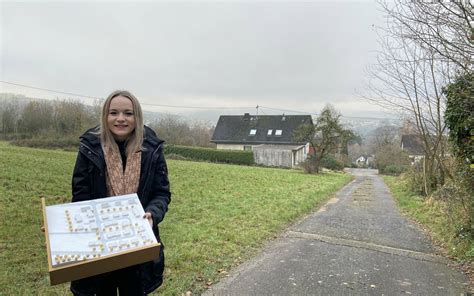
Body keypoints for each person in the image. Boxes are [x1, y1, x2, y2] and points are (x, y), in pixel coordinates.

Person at [70, 90, 171, 295]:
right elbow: (80, 196)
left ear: (137, 117)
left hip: (137, 245)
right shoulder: (89, 147)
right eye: (114, 112)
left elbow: (161, 193)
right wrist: (63, 226)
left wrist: (153, 213)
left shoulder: (152, 149)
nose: (121, 119)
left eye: (128, 113)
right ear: (105, 116)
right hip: (99, 247)